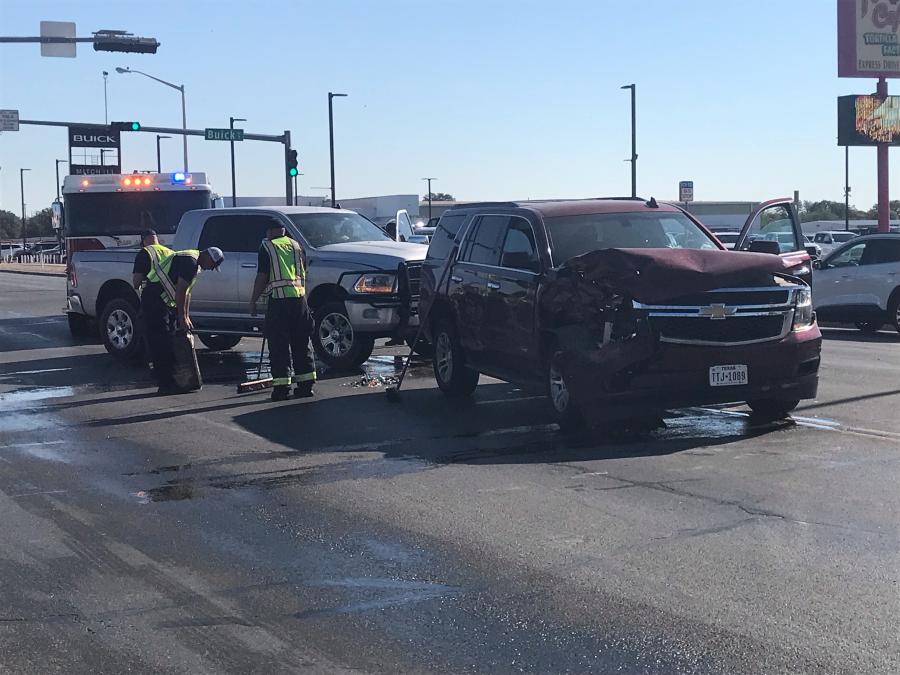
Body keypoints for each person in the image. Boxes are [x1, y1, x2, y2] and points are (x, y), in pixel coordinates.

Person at [144, 247, 224, 395]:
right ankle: (165, 384)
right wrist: (181, 318)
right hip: (154, 299)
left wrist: (186, 316)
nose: (210, 269)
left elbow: (187, 293)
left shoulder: (194, 262)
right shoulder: (190, 262)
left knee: (168, 339)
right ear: (207, 257)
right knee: (161, 342)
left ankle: (169, 380)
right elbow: (181, 290)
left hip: (161, 301)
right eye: (212, 265)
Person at [250, 223, 316, 401]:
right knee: (301, 342)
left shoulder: (267, 247)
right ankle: (306, 385)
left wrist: (254, 300)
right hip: (300, 300)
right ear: (284, 231)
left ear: (269, 231)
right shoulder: (296, 246)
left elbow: (262, 276)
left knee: (279, 345)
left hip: (279, 302)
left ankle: (281, 388)